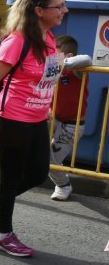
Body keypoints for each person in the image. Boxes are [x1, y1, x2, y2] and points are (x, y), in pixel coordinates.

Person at [0, 0, 66, 258]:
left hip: (36, 117)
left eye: (63, 4)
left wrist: (45, 102)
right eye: (58, 6)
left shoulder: (47, 38)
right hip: (12, 118)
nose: (64, 10)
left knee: (37, 173)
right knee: (11, 179)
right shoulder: (17, 41)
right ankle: (4, 235)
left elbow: (44, 75)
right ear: (38, 10)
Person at [48, 35, 91, 201]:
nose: (52, 57)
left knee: (50, 161)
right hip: (56, 121)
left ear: (69, 56)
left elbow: (87, 59)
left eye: (55, 53)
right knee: (47, 156)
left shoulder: (76, 71)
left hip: (72, 125)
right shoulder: (53, 69)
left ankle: (63, 185)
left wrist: (63, 62)